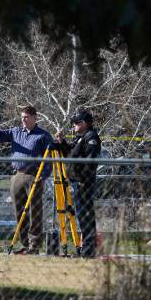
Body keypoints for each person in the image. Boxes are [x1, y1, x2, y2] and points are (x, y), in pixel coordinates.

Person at [0, 106, 53, 255]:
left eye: (26, 117)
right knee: (19, 211)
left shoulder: (43, 135)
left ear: (35, 118)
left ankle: (34, 245)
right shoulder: (16, 132)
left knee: (34, 212)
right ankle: (24, 244)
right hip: (17, 175)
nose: (23, 120)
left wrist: (42, 177)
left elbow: (49, 158)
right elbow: (1, 137)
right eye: (22, 117)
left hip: (34, 176)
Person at [54, 110, 101, 258]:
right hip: (77, 182)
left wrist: (82, 179)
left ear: (85, 123)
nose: (74, 125)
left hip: (84, 183)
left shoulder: (91, 137)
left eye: (77, 122)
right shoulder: (81, 137)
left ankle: (88, 251)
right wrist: (62, 142)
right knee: (82, 216)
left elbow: (90, 162)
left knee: (85, 216)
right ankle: (87, 249)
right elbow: (70, 154)